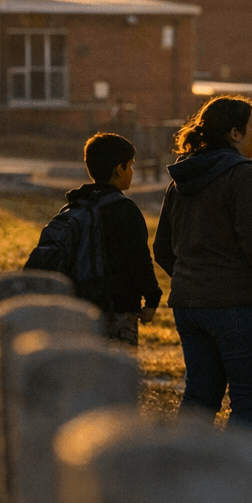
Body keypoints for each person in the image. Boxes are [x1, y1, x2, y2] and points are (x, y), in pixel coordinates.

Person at [153, 95, 252, 433]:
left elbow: (162, 249)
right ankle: (233, 483)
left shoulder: (181, 179)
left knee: (199, 396)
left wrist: (194, 279)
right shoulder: (242, 175)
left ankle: (182, 474)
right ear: (235, 134)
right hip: (240, 306)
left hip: (189, 305)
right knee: (248, 402)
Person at [69, 132, 161, 346]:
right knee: (116, 375)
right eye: (131, 166)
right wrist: (152, 299)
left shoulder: (74, 206)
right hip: (117, 311)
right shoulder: (125, 210)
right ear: (120, 169)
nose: (132, 172)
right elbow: (139, 260)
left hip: (79, 310)